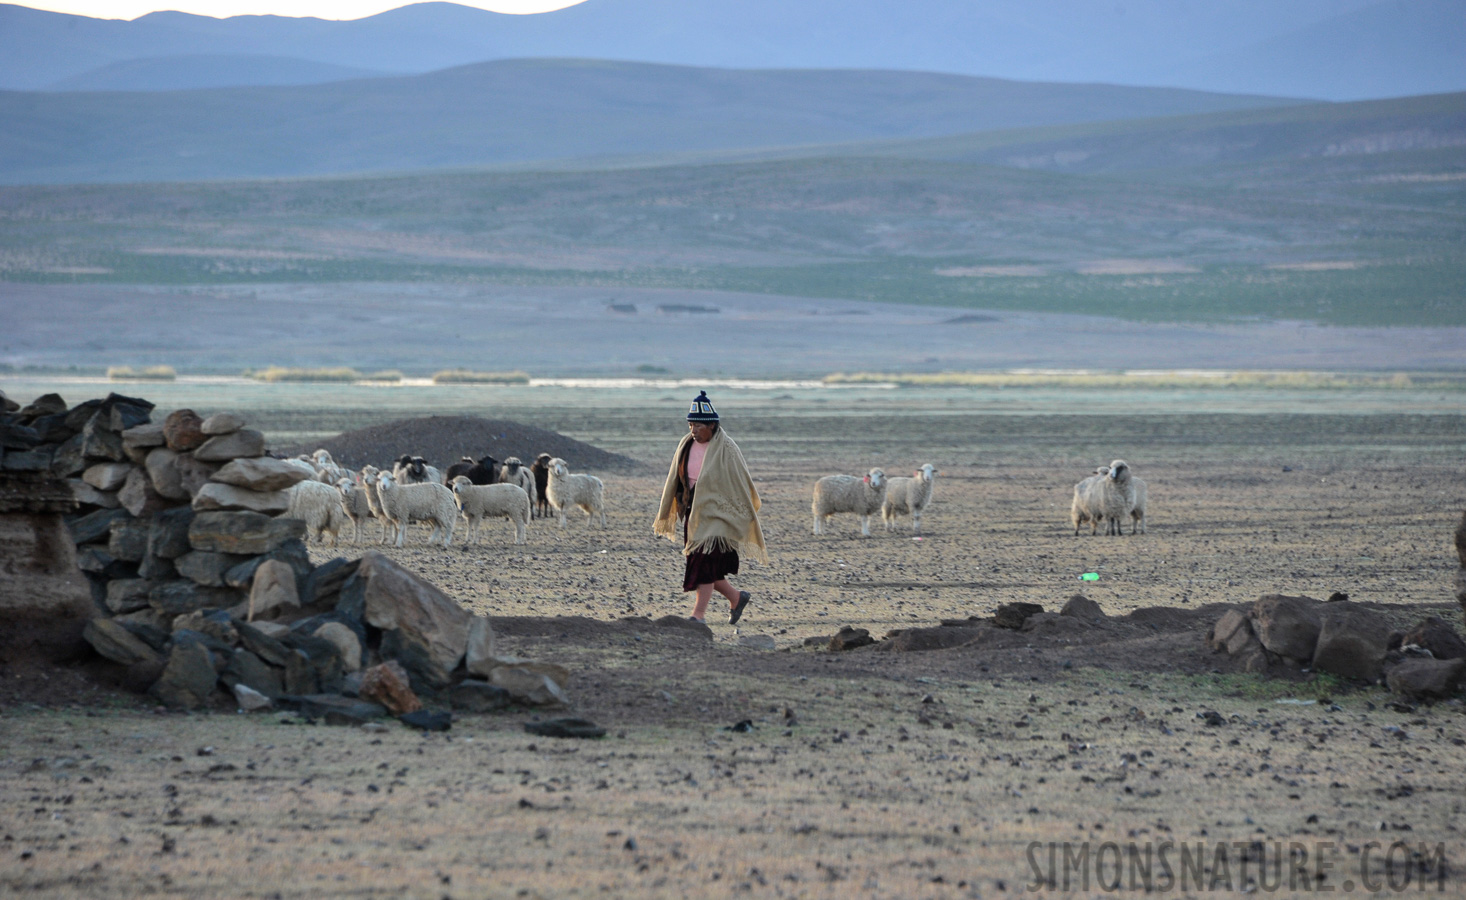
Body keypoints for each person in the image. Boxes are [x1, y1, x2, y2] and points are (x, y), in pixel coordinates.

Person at [653, 390, 767, 624]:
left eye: (698, 426)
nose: (693, 431)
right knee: (701, 566)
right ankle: (736, 597)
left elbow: (739, 483)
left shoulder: (727, 448)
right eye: (691, 425)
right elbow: (677, 478)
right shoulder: (685, 445)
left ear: (712, 426)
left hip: (717, 514)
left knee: (702, 563)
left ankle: (698, 617)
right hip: (694, 513)